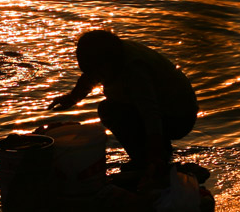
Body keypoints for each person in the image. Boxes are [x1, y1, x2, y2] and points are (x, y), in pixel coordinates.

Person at [49, 29, 198, 184]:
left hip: (179, 117)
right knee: (115, 108)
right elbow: (89, 77)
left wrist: (155, 153)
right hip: (166, 110)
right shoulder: (113, 54)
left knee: (110, 111)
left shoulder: (134, 69)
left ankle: (148, 160)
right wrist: (71, 99)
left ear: (107, 63)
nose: (98, 77)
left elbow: (150, 113)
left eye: (99, 71)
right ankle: (153, 155)